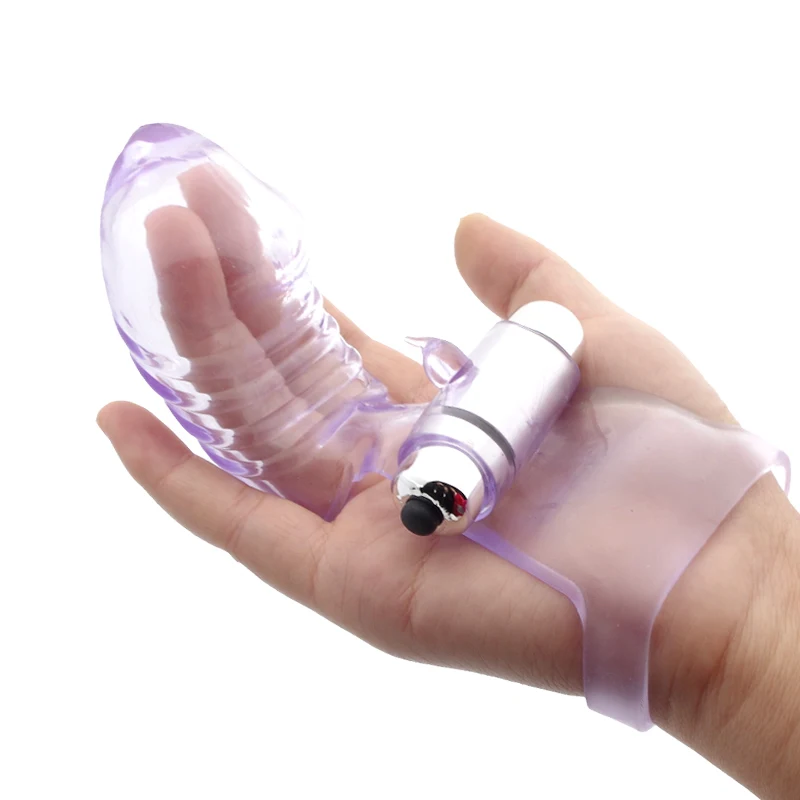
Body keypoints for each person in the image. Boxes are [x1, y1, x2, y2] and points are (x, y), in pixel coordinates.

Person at [97, 213, 800, 799]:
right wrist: (746, 638)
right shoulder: (446, 470)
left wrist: (751, 623)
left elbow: (547, 333)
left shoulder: (480, 441)